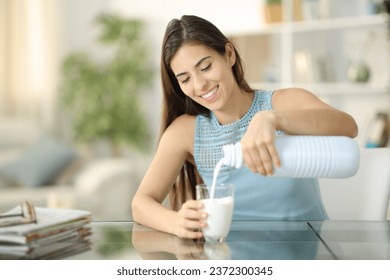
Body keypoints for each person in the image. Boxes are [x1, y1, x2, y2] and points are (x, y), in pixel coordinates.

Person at [132, 15, 358, 239]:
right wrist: (176, 222)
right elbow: (141, 203)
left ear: (229, 54)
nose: (199, 85)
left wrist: (274, 119)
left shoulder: (283, 103)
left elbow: (348, 126)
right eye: (185, 79)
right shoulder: (186, 132)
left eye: (206, 67)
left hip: (303, 254)